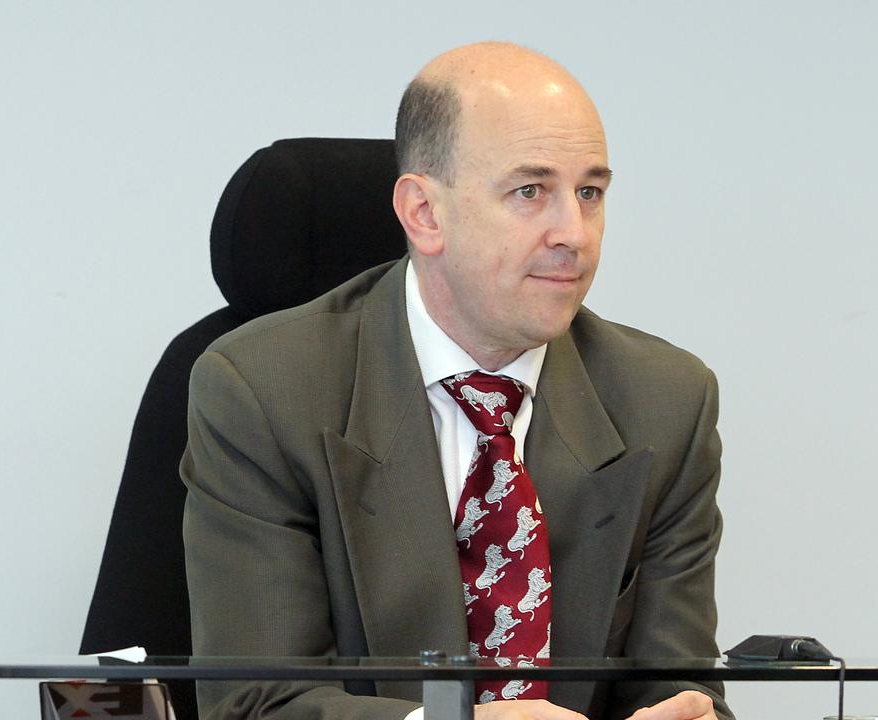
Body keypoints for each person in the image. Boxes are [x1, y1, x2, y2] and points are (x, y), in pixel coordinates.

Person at [181, 42, 731, 720]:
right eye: (531, 191)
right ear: (424, 214)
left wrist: (687, 713)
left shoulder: (668, 403)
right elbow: (252, 703)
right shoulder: (263, 392)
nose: (575, 234)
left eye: (589, 192)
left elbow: (676, 684)